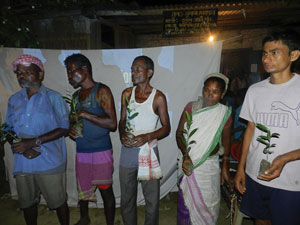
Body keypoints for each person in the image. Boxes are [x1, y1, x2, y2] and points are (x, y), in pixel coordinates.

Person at [234, 29, 300, 225]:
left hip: (290, 181)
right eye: (264, 53)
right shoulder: (255, 91)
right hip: (255, 176)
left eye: (275, 52)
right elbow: (250, 130)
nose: (267, 58)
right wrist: (241, 169)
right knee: (260, 221)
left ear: (293, 55)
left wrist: (286, 157)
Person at [5, 54, 70, 225]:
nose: (22, 76)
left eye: (27, 71)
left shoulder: (54, 98)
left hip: (49, 159)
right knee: (27, 204)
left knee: (58, 202)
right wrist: (22, 146)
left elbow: (64, 128)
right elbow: (7, 128)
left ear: (40, 74)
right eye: (19, 73)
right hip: (23, 160)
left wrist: (32, 143)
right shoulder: (14, 100)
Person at [64, 53, 117, 225]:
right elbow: (72, 121)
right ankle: (84, 219)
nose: (69, 76)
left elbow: (112, 123)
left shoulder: (102, 91)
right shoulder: (75, 97)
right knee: (83, 189)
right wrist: (71, 130)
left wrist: (85, 114)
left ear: (84, 69)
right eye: (68, 72)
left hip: (101, 150)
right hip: (82, 151)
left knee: (106, 190)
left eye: (71, 71)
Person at [119, 55, 170, 225]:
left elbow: (166, 127)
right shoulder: (126, 94)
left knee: (151, 199)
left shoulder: (158, 97)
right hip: (128, 152)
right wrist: (122, 135)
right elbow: (122, 121)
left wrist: (146, 137)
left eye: (138, 69)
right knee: (127, 197)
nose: (134, 72)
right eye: (132, 69)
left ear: (149, 72)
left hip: (148, 151)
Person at [176, 73, 232, 225]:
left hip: (209, 167)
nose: (209, 95)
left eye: (215, 92)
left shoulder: (224, 113)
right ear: (202, 90)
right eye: (207, 90)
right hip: (188, 163)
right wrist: (186, 155)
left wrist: (225, 166)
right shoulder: (191, 107)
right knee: (185, 206)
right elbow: (179, 134)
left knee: (208, 205)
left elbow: (226, 143)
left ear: (222, 94)